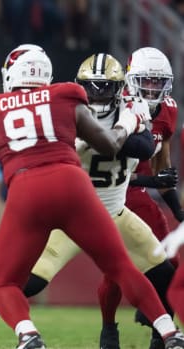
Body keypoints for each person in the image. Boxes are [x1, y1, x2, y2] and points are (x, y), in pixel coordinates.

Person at [0, 44, 184, 349]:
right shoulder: (67, 107)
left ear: (120, 89)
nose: (98, 95)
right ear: (78, 87)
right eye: (92, 89)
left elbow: (145, 148)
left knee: (159, 273)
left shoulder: (128, 109)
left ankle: (165, 336)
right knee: (38, 278)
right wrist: (116, 131)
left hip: (114, 208)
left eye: (106, 89)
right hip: (77, 207)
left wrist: (116, 130)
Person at [121, 47, 181, 349]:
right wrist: (153, 180)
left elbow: (162, 165)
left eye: (159, 82)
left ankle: (160, 332)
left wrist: (179, 213)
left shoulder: (168, 110)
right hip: (109, 194)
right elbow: (110, 171)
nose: (153, 88)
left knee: (169, 265)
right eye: (147, 81)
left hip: (140, 193)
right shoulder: (118, 109)